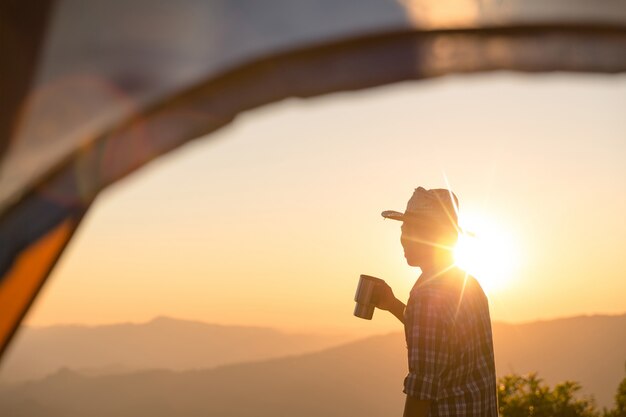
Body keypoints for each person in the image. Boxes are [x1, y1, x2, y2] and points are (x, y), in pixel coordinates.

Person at [376, 187, 498, 417]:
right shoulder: (467, 282)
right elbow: (440, 341)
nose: (404, 239)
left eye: (415, 230)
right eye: (404, 229)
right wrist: (392, 304)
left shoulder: (427, 295)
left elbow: (422, 388)